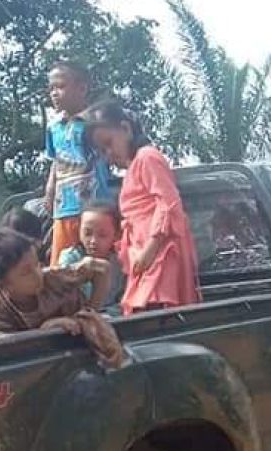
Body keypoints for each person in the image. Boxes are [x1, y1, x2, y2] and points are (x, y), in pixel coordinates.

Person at [84, 101, 201, 315]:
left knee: (154, 317)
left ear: (126, 129)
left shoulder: (147, 157)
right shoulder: (134, 167)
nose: (108, 154)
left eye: (109, 143)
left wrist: (149, 249)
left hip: (159, 257)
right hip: (145, 259)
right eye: (102, 150)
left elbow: (168, 203)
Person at [0, 227, 123, 368]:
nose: (38, 274)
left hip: (84, 352)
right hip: (47, 367)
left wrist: (89, 312)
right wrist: (44, 331)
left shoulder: (54, 278)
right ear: (3, 283)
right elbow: (7, 348)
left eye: (37, 264)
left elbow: (101, 268)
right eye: (26, 272)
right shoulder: (0, 306)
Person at [44, 60, 111, 266]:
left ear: (81, 88)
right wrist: (50, 188)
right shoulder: (53, 127)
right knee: (61, 268)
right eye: (52, 88)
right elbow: (56, 160)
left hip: (93, 207)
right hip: (63, 208)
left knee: (94, 266)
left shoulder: (94, 122)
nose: (55, 93)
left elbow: (108, 154)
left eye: (61, 86)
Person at [58, 198, 125, 313]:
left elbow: (122, 301)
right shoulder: (70, 258)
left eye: (102, 235)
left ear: (117, 235)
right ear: (78, 230)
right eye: (87, 233)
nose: (93, 241)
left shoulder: (120, 262)